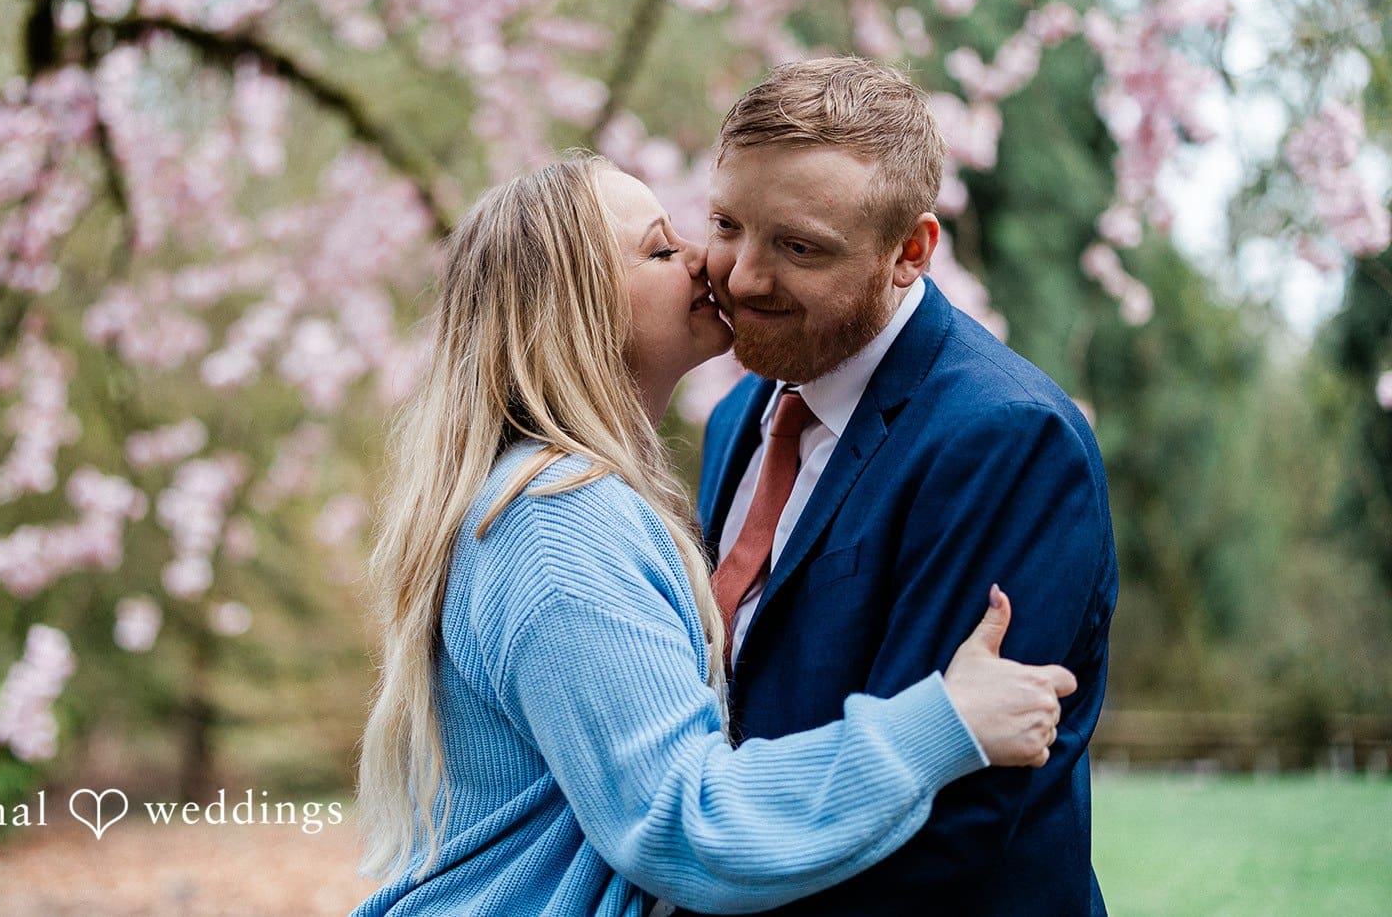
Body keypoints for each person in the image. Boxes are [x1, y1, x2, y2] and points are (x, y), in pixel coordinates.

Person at [350, 154, 1078, 916]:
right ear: (577, 310)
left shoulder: (577, 499)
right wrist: (944, 722)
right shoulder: (556, 525)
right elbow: (683, 821)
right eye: (662, 250)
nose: (707, 261)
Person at [694, 58, 1119, 917]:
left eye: (799, 246)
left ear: (912, 252)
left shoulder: (1007, 440)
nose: (742, 276)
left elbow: (948, 819)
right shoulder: (739, 415)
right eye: (729, 225)